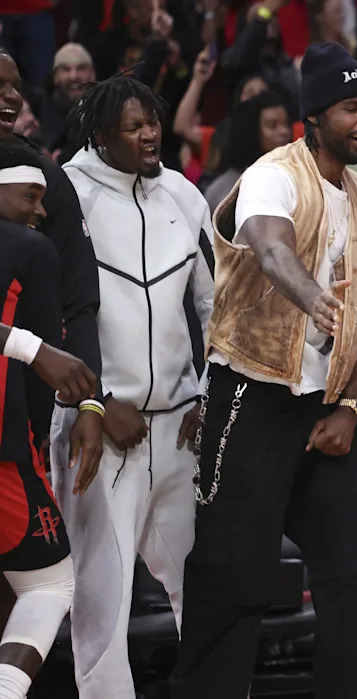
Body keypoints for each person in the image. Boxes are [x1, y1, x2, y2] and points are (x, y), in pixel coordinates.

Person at [170, 43, 357, 699]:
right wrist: (310, 295)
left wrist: (351, 408)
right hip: (251, 393)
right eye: (352, 107)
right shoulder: (273, 173)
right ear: (315, 114)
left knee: (353, 572)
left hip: (326, 409)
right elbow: (270, 244)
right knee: (232, 571)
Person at [50, 75, 215, 699]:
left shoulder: (183, 194)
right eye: (135, 125)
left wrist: (204, 393)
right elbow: (52, 309)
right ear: (99, 135)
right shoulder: (66, 191)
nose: (152, 134)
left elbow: (213, 307)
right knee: (103, 602)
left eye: (154, 121)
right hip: (100, 429)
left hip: (178, 427)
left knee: (204, 593)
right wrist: (94, 398)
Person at [0, 140, 96, 699]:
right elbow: (42, 380)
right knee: (50, 582)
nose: (40, 212)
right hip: (7, 453)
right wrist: (37, 350)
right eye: (32, 197)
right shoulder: (29, 248)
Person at [0, 49, 104, 507]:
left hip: (22, 414)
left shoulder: (41, 176)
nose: (10, 97)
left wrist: (90, 403)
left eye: (16, 87)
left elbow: (80, 298)